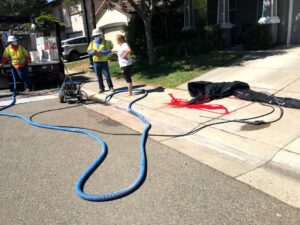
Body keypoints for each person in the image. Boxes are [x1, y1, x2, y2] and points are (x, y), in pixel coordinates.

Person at [87, 28, 114, 93]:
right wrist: (93, 52)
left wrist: (101, 52)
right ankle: (101, 88)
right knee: (99, 76)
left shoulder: (105, 42)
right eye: (95, 36)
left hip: (104, 61)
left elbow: (108, 50)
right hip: (96, 62)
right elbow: (88, 52)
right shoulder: (92, 43)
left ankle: (111, 87)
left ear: (99, 35)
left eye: (97, 35)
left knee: (107, 75)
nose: (96, 37)